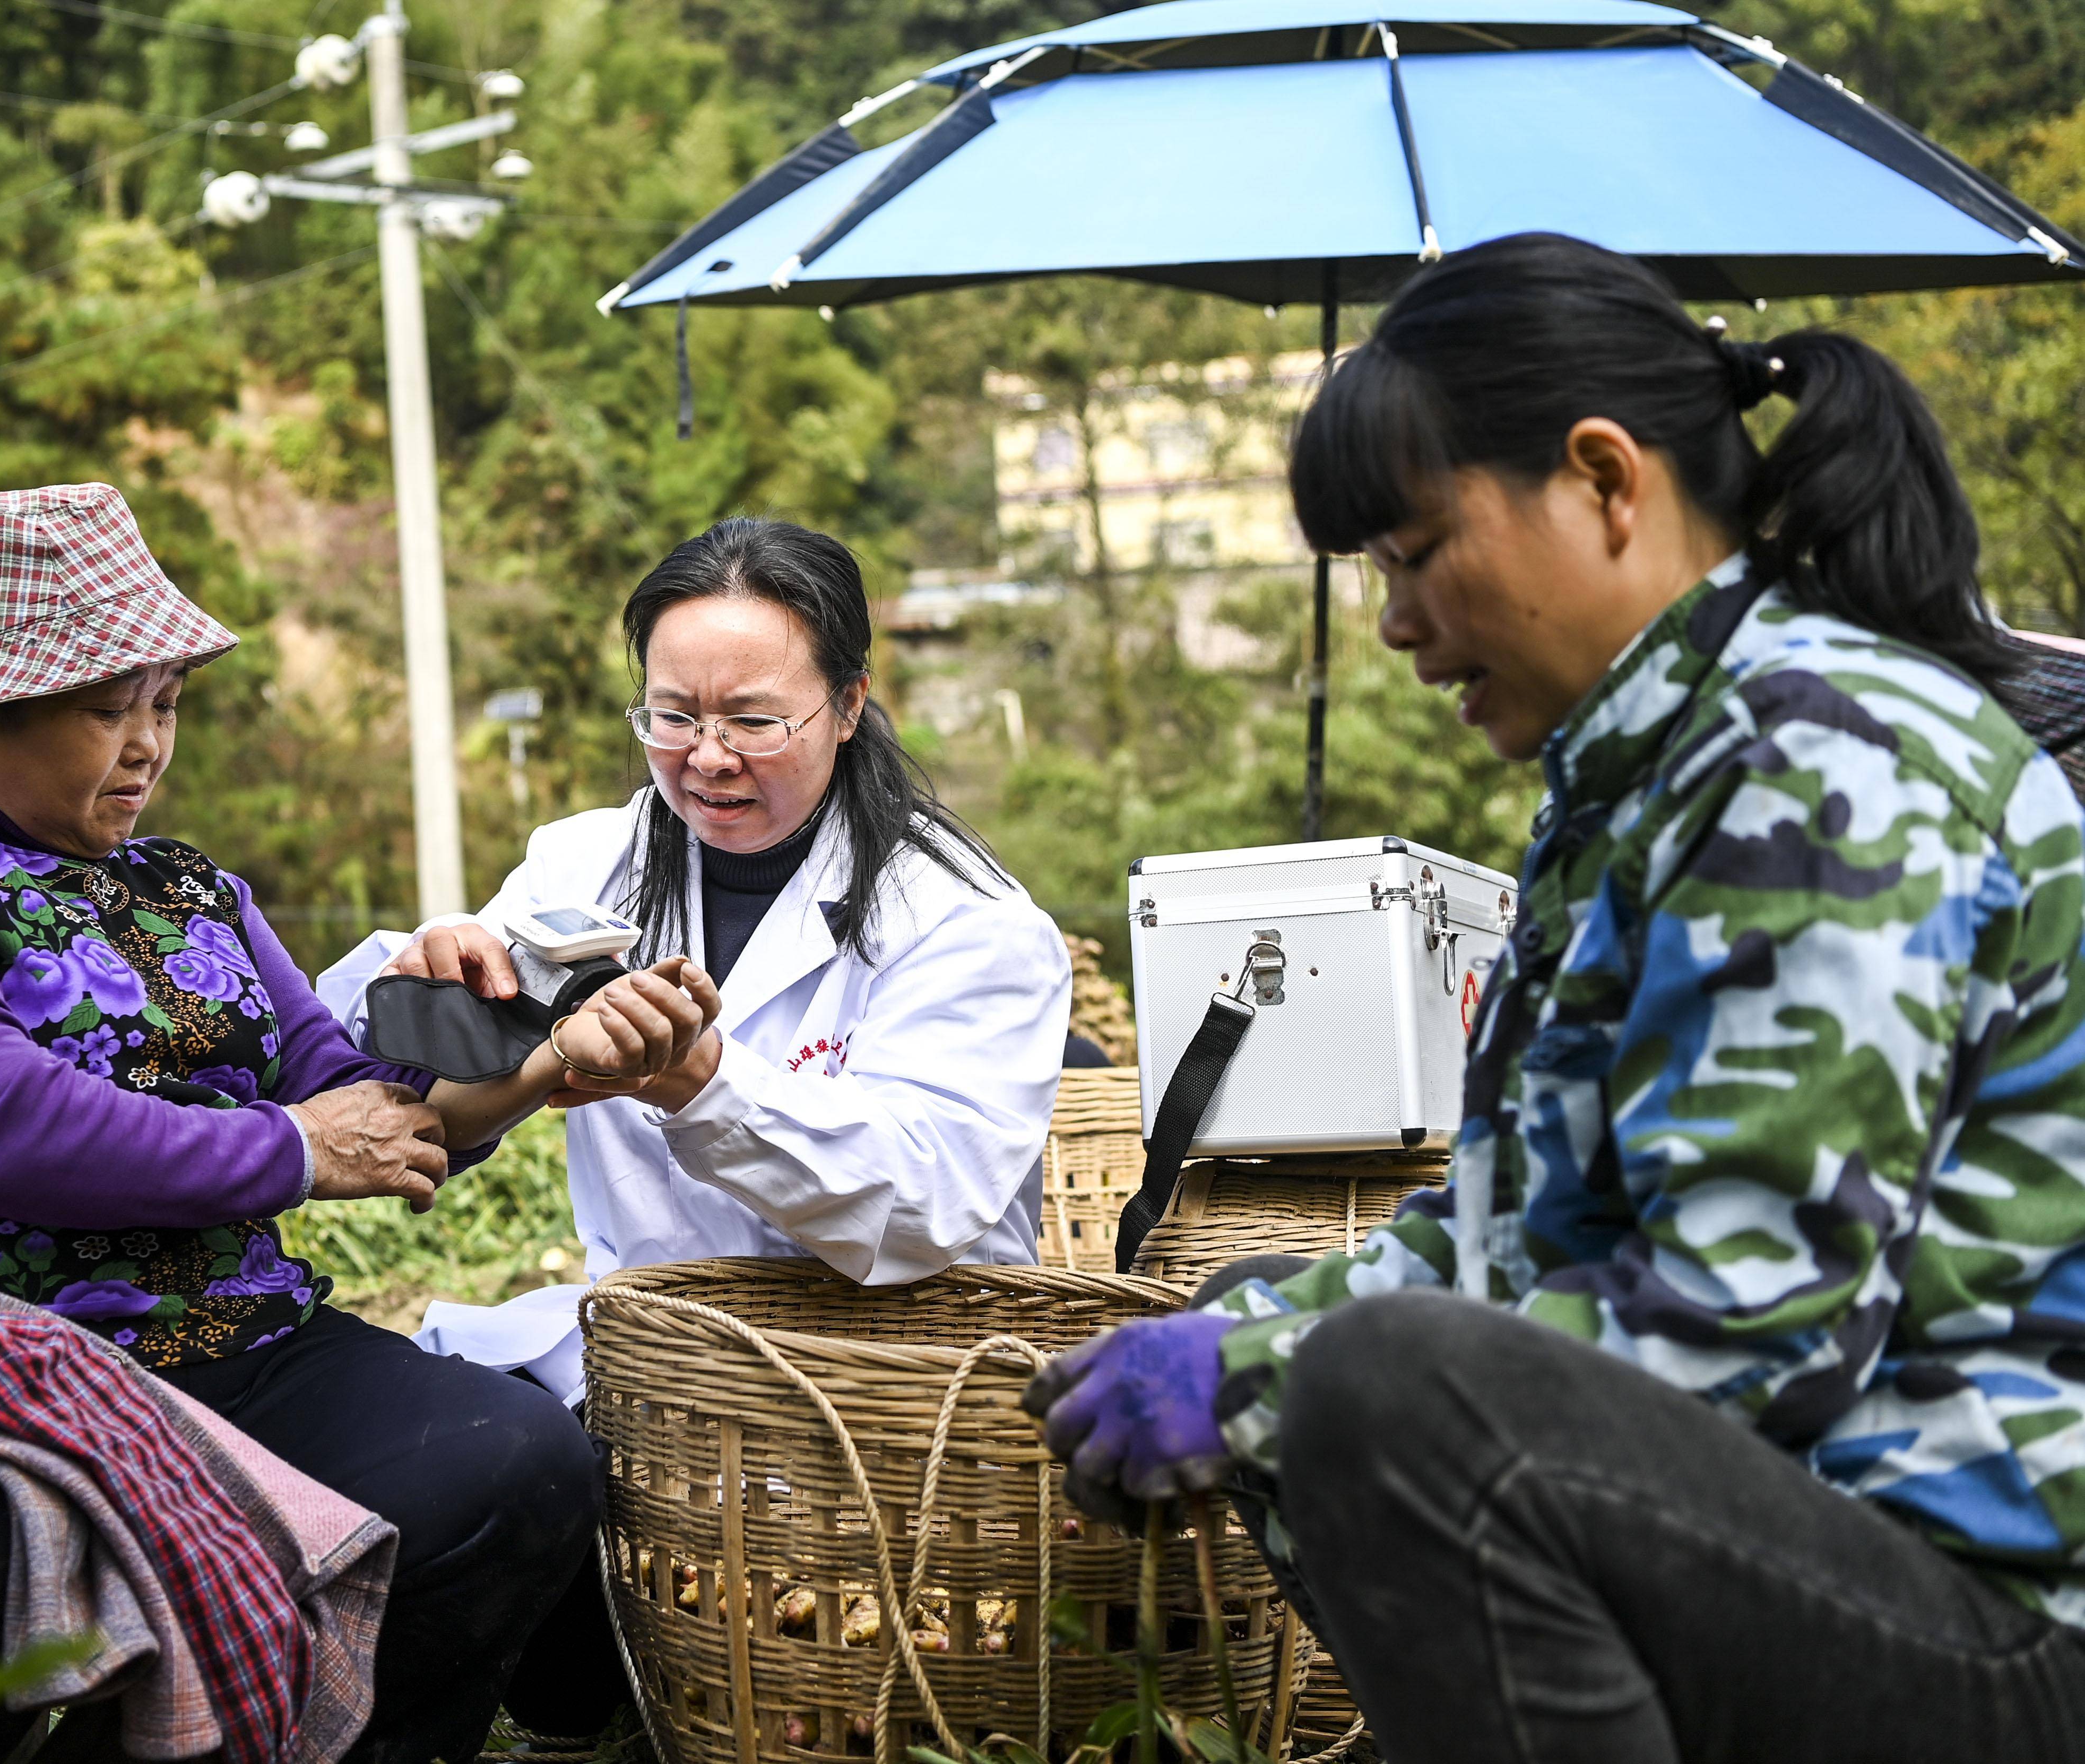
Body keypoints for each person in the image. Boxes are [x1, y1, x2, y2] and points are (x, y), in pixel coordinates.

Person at [1023, 234, 2085, 1764]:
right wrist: (1246, 1334)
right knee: (1268, 1305)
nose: (1393, 624)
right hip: (1822, 1557)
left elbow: (1743, 1330)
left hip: (1982, 1615)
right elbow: (1499, 1239)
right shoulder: (1647, 775)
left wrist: (1268, 1382)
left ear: (1600, 480)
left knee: (1383, 1387)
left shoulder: (1818, 766)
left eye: (1413, 552)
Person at [0, 484, 719, 1764]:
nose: (147, 746)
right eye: (107, 709)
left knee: (511, 1465)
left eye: (166, 706)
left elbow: (359, 1091)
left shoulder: (191, 889)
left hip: (231, 1348)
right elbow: (5, 1128)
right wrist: (302, 1152)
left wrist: (541, 1055)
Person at [319, 518, 1070, 1733]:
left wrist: (702, 1082)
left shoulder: (963, 919)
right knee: (525, 1606)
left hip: (883, 1390)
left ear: (847, 703)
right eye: (671, 716)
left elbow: (922, 1203)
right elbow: (446, 1105)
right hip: (651, 1374)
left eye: (753, 720)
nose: (706, 758)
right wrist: (438, 995)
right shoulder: (588, 868)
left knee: (835, 1684)